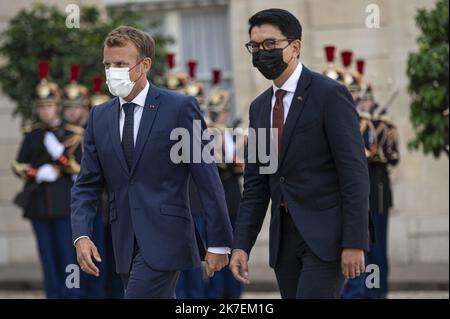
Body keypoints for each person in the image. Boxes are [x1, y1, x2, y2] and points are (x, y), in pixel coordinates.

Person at [71, 26, 233, 299]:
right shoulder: (99, 116)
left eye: (120, 64)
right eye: (107, 65)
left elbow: (207, 177)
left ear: (144, 65)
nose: (112, 71)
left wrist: (219, 242)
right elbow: (86, 184)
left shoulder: (179, 107)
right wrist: (81, 236)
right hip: (123, 239)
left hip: (167, 236)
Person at [229, 9, 370, 299]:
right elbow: (256, 185)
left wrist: (355, 241)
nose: (261, 53)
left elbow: (354, 174)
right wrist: (241, 245)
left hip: (326, 237)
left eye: (270, 44)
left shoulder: (329, 95)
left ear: (295, 47)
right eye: (254, 47)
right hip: (285, 241)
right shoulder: (258, 108)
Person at [12, 61, 83, 298]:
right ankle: (53, 294)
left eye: (50, 106)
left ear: (58, 107)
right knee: (47, 256)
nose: (45, 111)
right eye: (41, 107)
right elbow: (18, 165)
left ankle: (71, 295)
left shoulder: (72, 135)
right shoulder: (32, 135)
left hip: (65, 205)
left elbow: (81, 170)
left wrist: (60, 157)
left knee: (67, 256)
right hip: (40, 205)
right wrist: (37, 173)